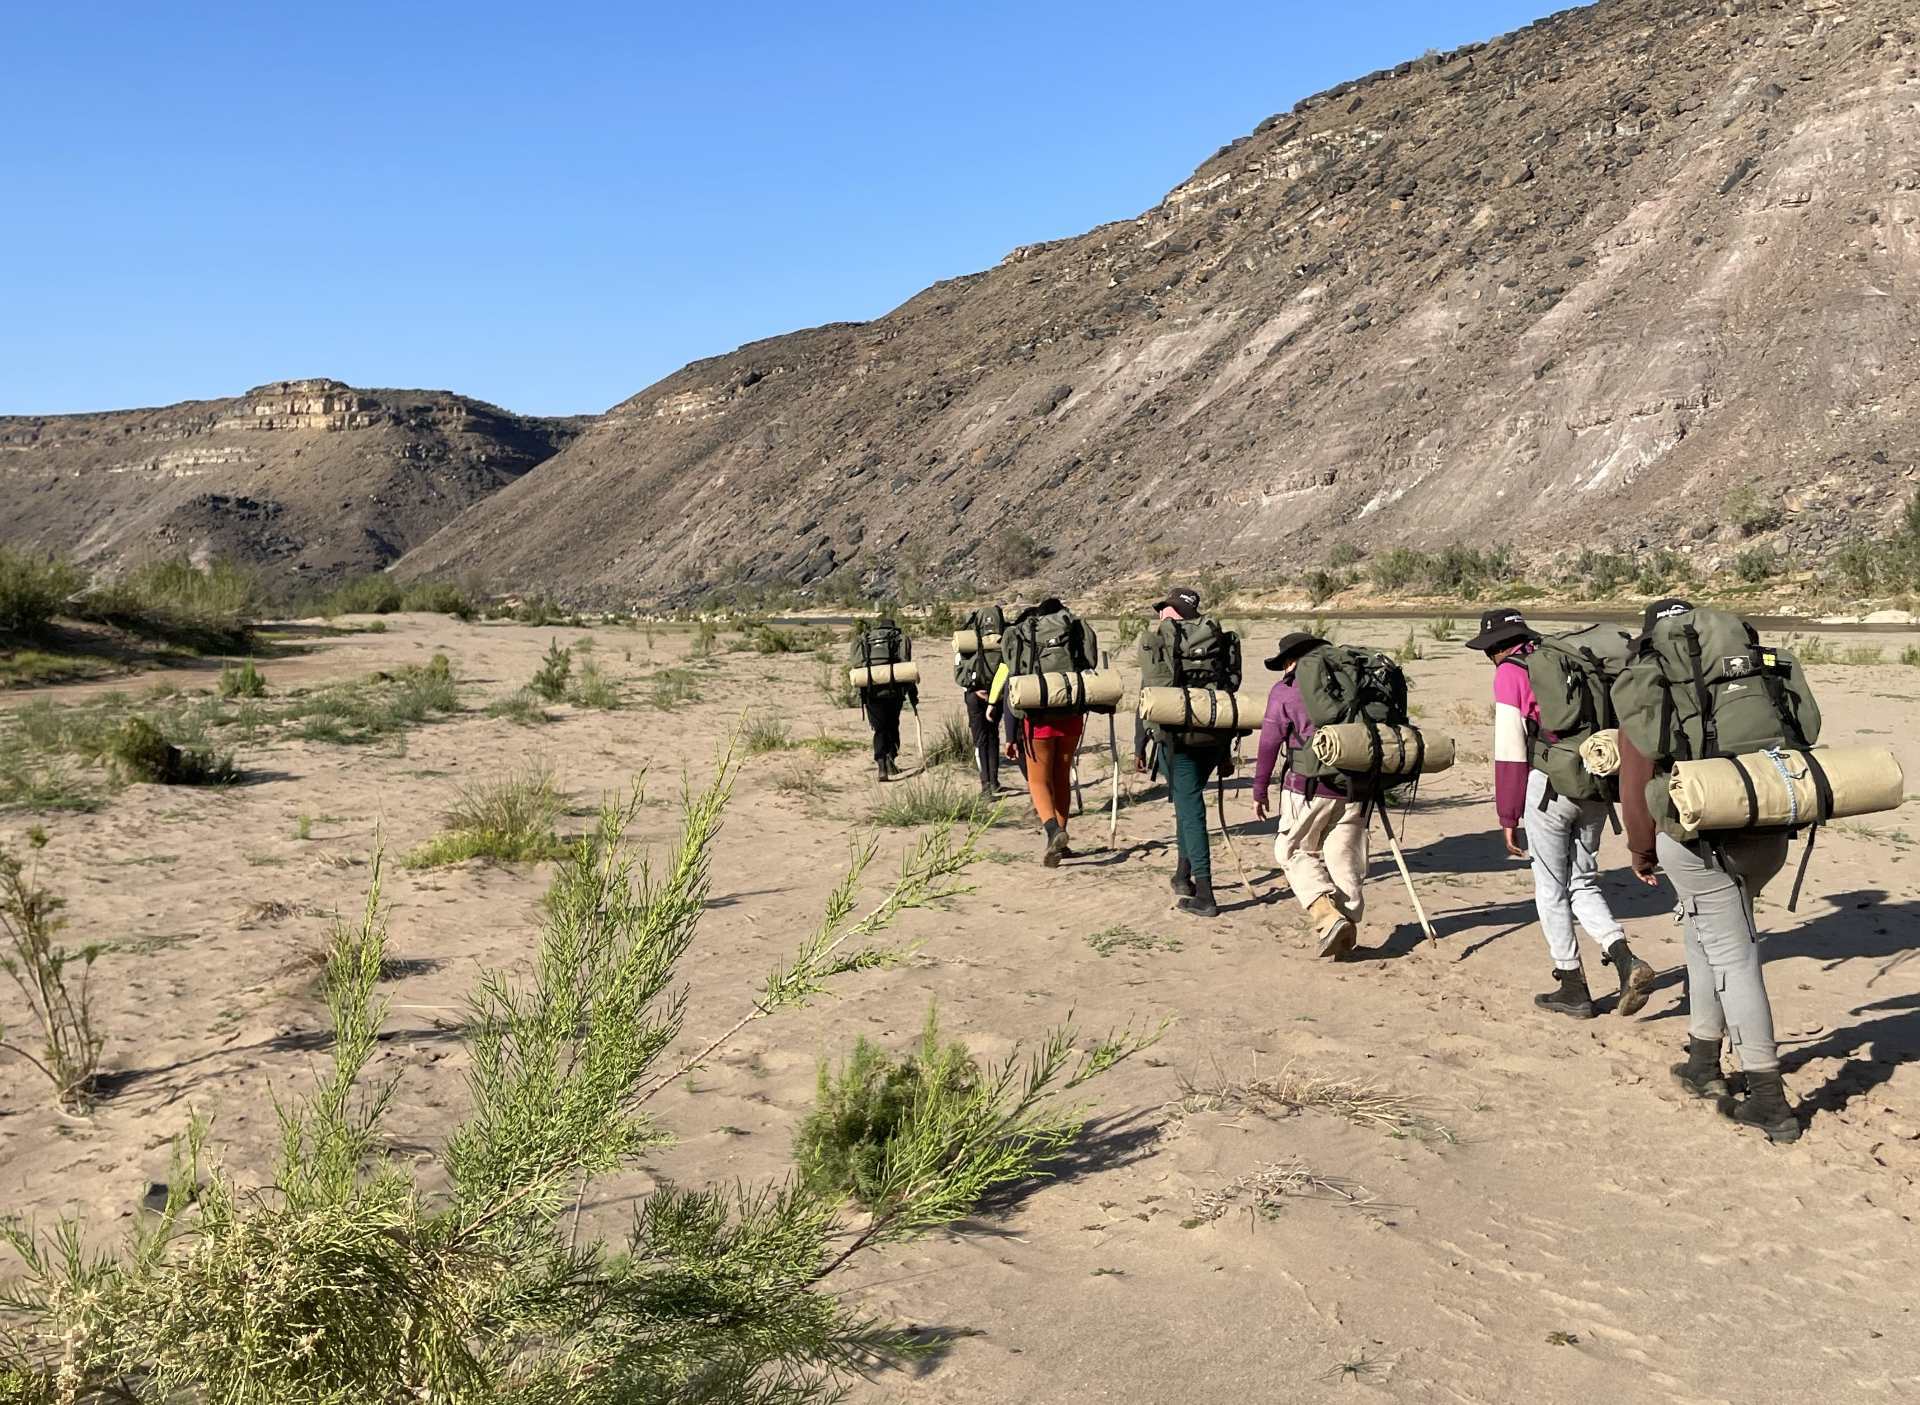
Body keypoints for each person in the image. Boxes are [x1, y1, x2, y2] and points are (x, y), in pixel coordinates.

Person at [1617, 598, 1798, 1142]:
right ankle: (1702, 1060)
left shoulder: (1654, 678)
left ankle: (1767, 1096)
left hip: (1698, 834)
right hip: (1768, 820)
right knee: (1704, 937)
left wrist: (1640, 848)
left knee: (1732, 956)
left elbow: (1636, 772)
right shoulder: (1756, 667)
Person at [1466, 606, 1654, 1018]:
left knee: (1551, 887)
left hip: (1548, 786)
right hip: (1599, 775)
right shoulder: (1568, 657)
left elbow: (1510, 751)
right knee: (1582, 881)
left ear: (1493, 649)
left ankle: (1572, 984)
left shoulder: (1510, 671)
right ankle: (1624, 959)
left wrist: (1508, 815)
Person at [1251, 631, 1372, 957]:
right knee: (1343, 859)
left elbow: (1269, 743)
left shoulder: (1286, 690)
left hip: (1307, 787)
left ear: (1290, 662)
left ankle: (1326, 915)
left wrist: (1260, 787)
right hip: (1359, 785)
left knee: (1289, 849)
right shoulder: (1354, 680)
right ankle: (1347, 928)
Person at [1132, 587, 1237, 918]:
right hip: (1215, 734)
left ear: (1170, 612)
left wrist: (1139, 744)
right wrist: (1225, 753)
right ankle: (1182, 875)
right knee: (1186, 801)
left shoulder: (1162, 642)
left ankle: (1205, 893)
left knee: (1191, 811)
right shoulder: (1215, 640)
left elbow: (1147, 697)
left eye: (1164, 609)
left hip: (1178, 740)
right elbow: (1230, 687)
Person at [986, 598, 1093, 867]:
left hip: (1038, 718)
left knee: (1038, 781)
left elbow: (1014, 688)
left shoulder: (1027, 637)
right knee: (1061, 779)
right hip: (1071, 716)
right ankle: (1059, 838)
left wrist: (1010, 736)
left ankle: (1052, 831)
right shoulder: (1074, 633)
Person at [956, 604, 1018, 799]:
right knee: (993, 735)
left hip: (974, 695)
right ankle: (994, 781)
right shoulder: (1007, 637)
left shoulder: (968, 639)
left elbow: (959, 671)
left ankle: (985, 786)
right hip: (999, 694)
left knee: (980, 739)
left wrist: (974, 689)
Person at [849, 616, 916, 783]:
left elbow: (858, 664)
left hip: (871, 690)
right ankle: (891, 761)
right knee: (893, 725)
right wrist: (913, 694)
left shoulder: (868, 640)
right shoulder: (899, 639)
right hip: (894, 691)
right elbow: (906, 668)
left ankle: (881, 766)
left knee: (880, 729)